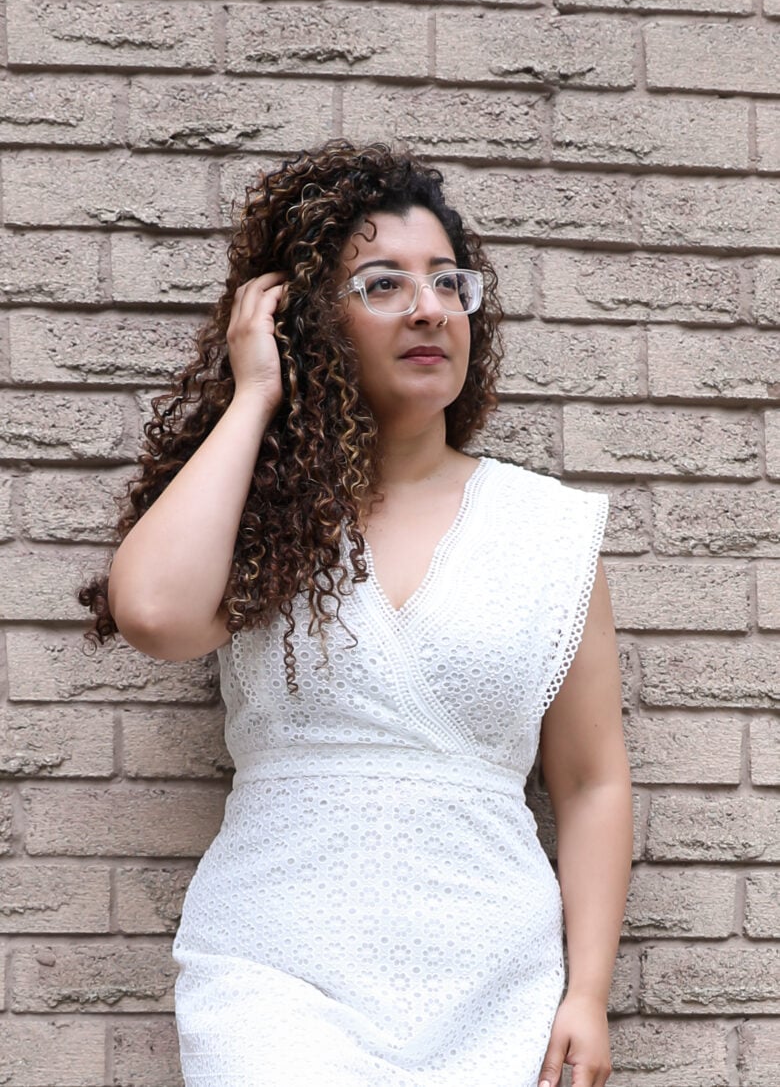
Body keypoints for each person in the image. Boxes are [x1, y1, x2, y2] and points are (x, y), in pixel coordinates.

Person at [81, 140, 633, 1087]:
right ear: (308, 324)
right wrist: (256, 392)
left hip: (493, 986)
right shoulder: (260, 516)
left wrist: (585, 993)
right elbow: (154, 614)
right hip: (275, 974)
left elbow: (590, 786)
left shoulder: (548, 529)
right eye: (382, 284)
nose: (428, 307)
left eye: (447, 282)